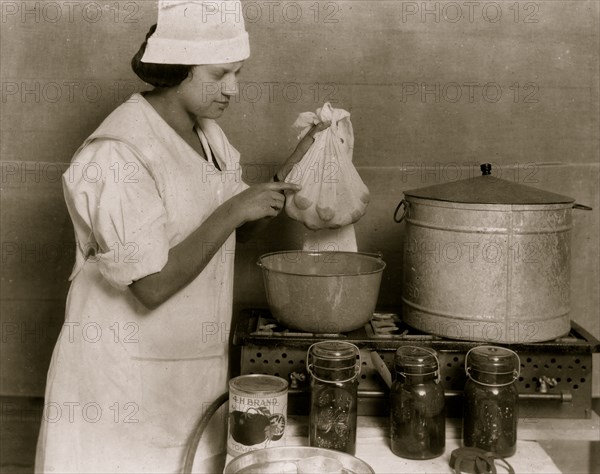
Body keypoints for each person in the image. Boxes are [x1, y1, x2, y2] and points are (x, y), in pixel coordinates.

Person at [34, 1, 327, 472]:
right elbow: (151, 286)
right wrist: (235, 208)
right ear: (176, 70)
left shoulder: (208, 135)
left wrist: (284, 178)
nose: (232, 89)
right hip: (122, 373)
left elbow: (235, 236)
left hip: (185, 364)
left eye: (238, 73)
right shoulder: (119, 152)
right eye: (218, 75)